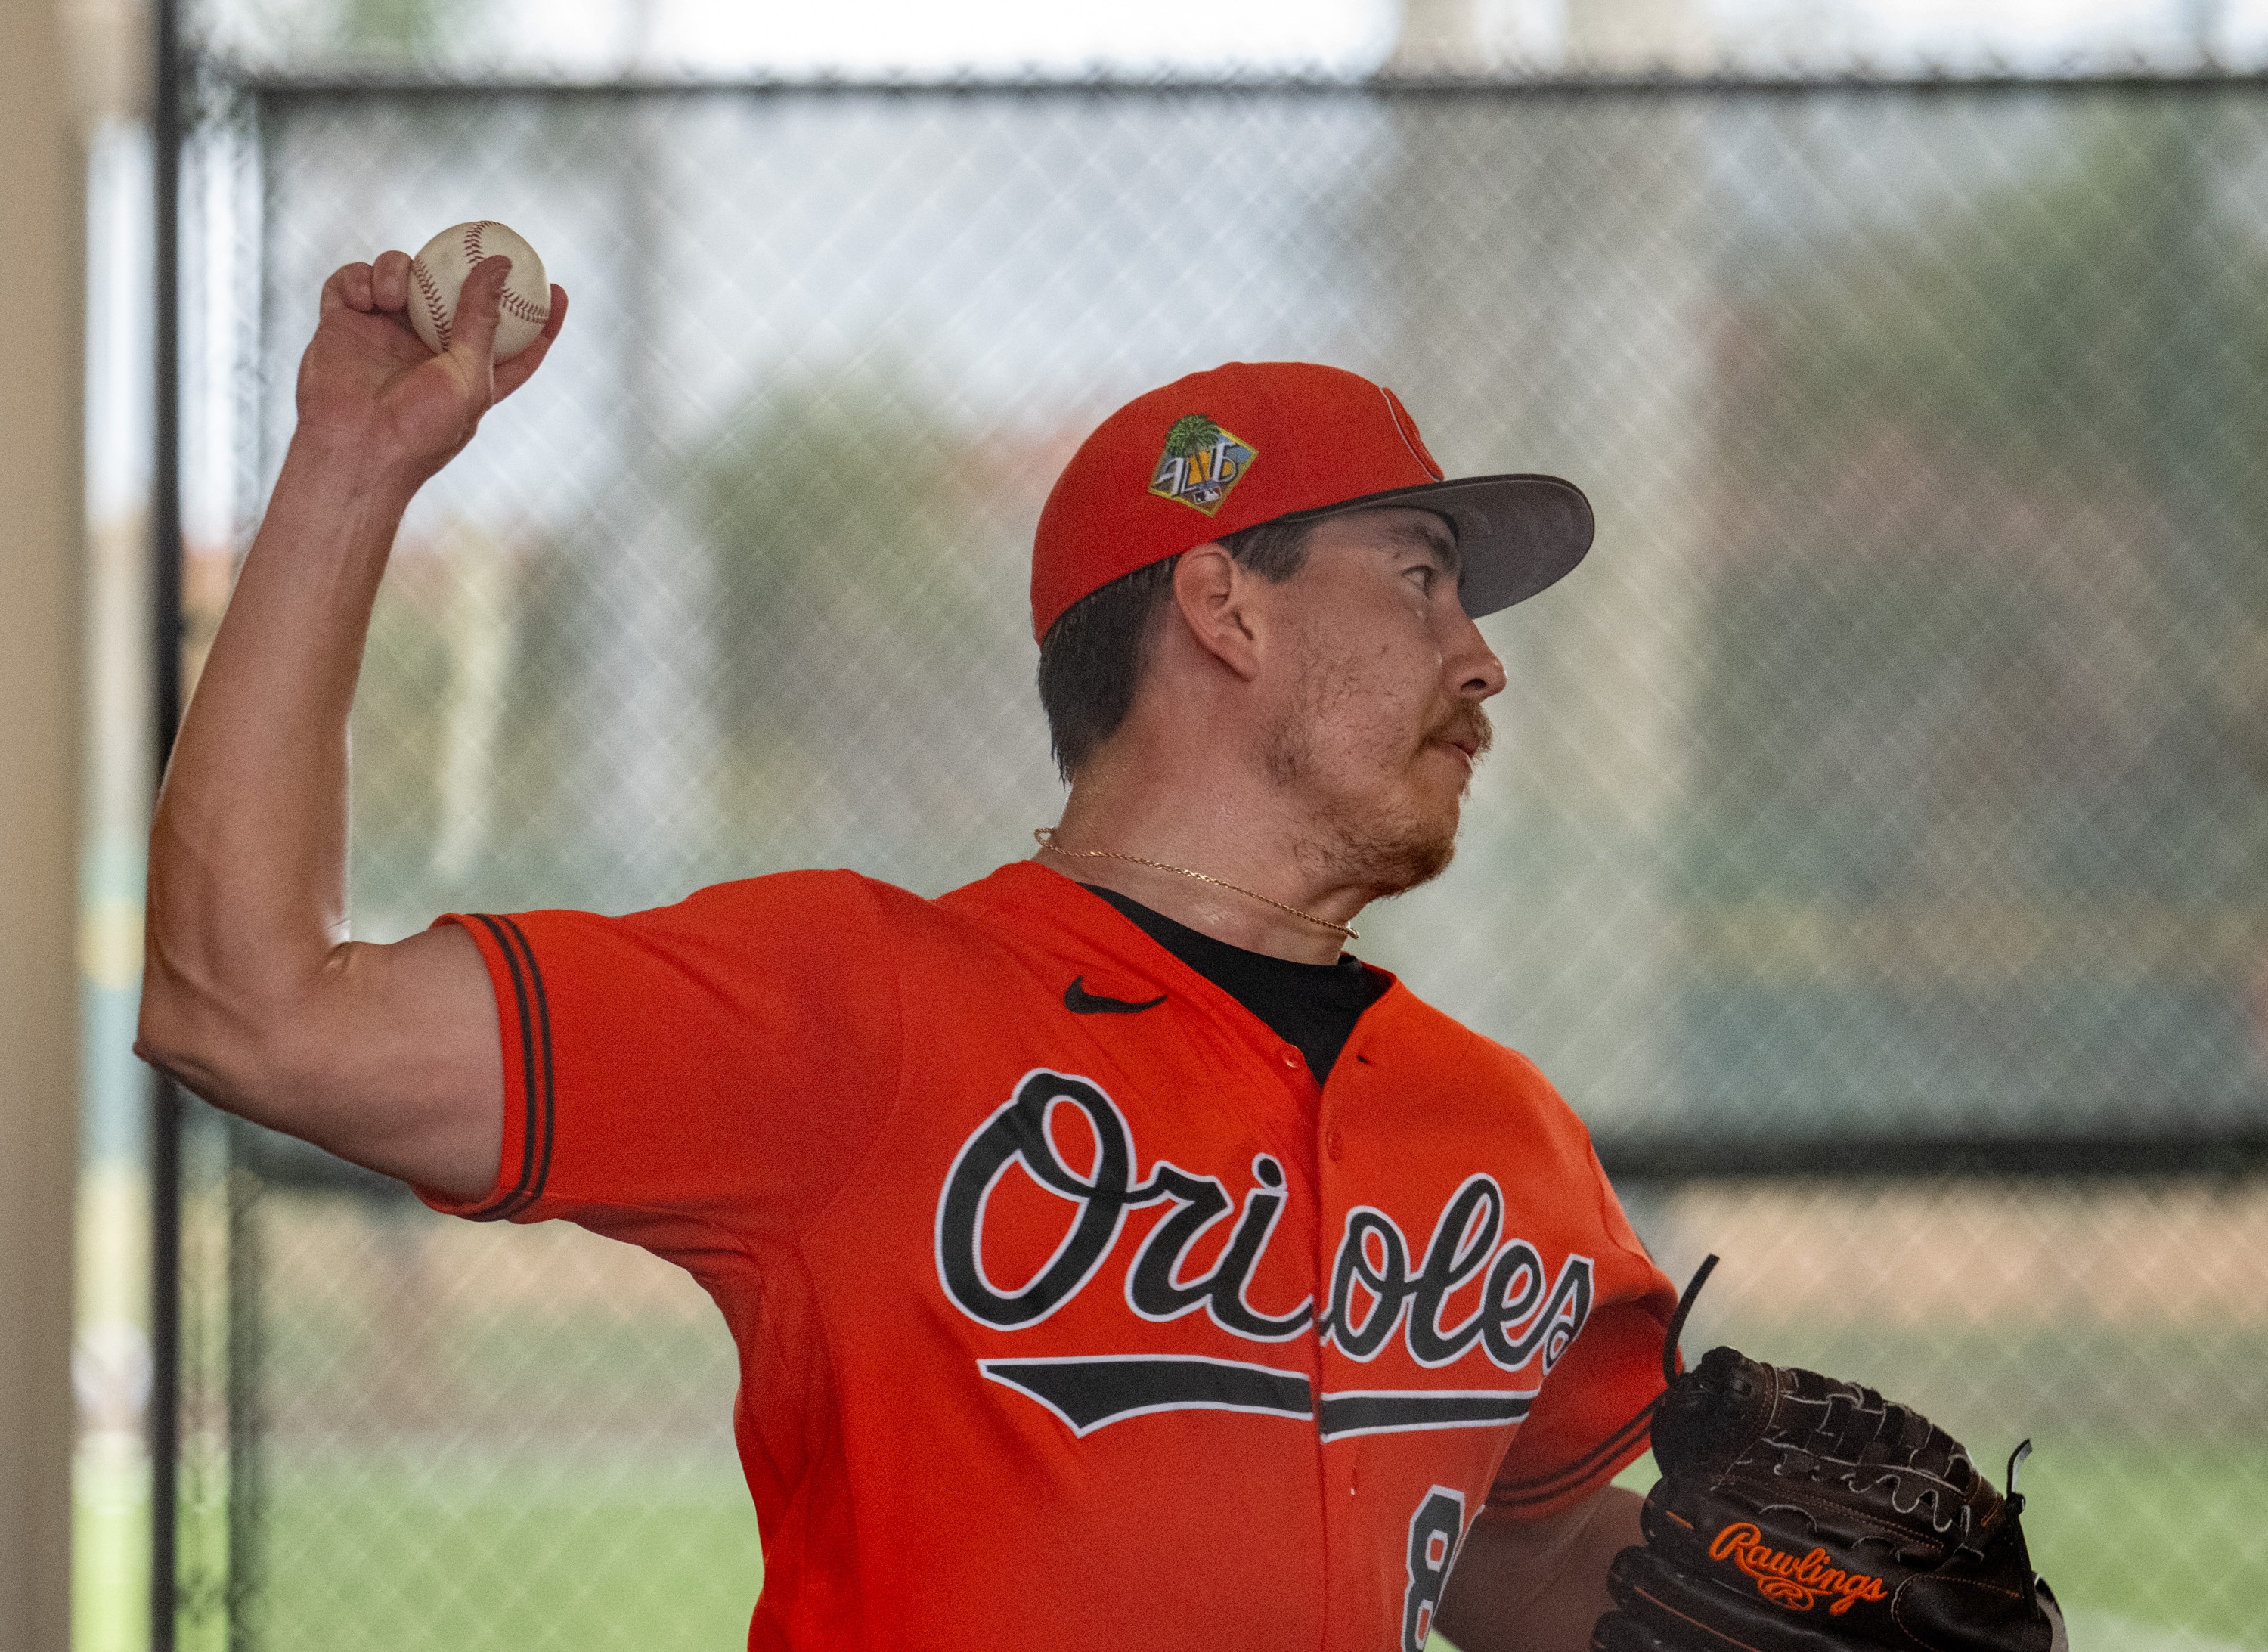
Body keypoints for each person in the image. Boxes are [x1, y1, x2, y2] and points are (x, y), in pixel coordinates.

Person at [139, 251, 1680, 1652]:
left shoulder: (1502, 1131)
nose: (1480, 655)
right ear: (1226, 608)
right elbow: (252, 1009)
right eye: (1421, 576)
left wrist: (1820, 1603)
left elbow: (1522, 1557)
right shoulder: (859, 1011)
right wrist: (349, 472)